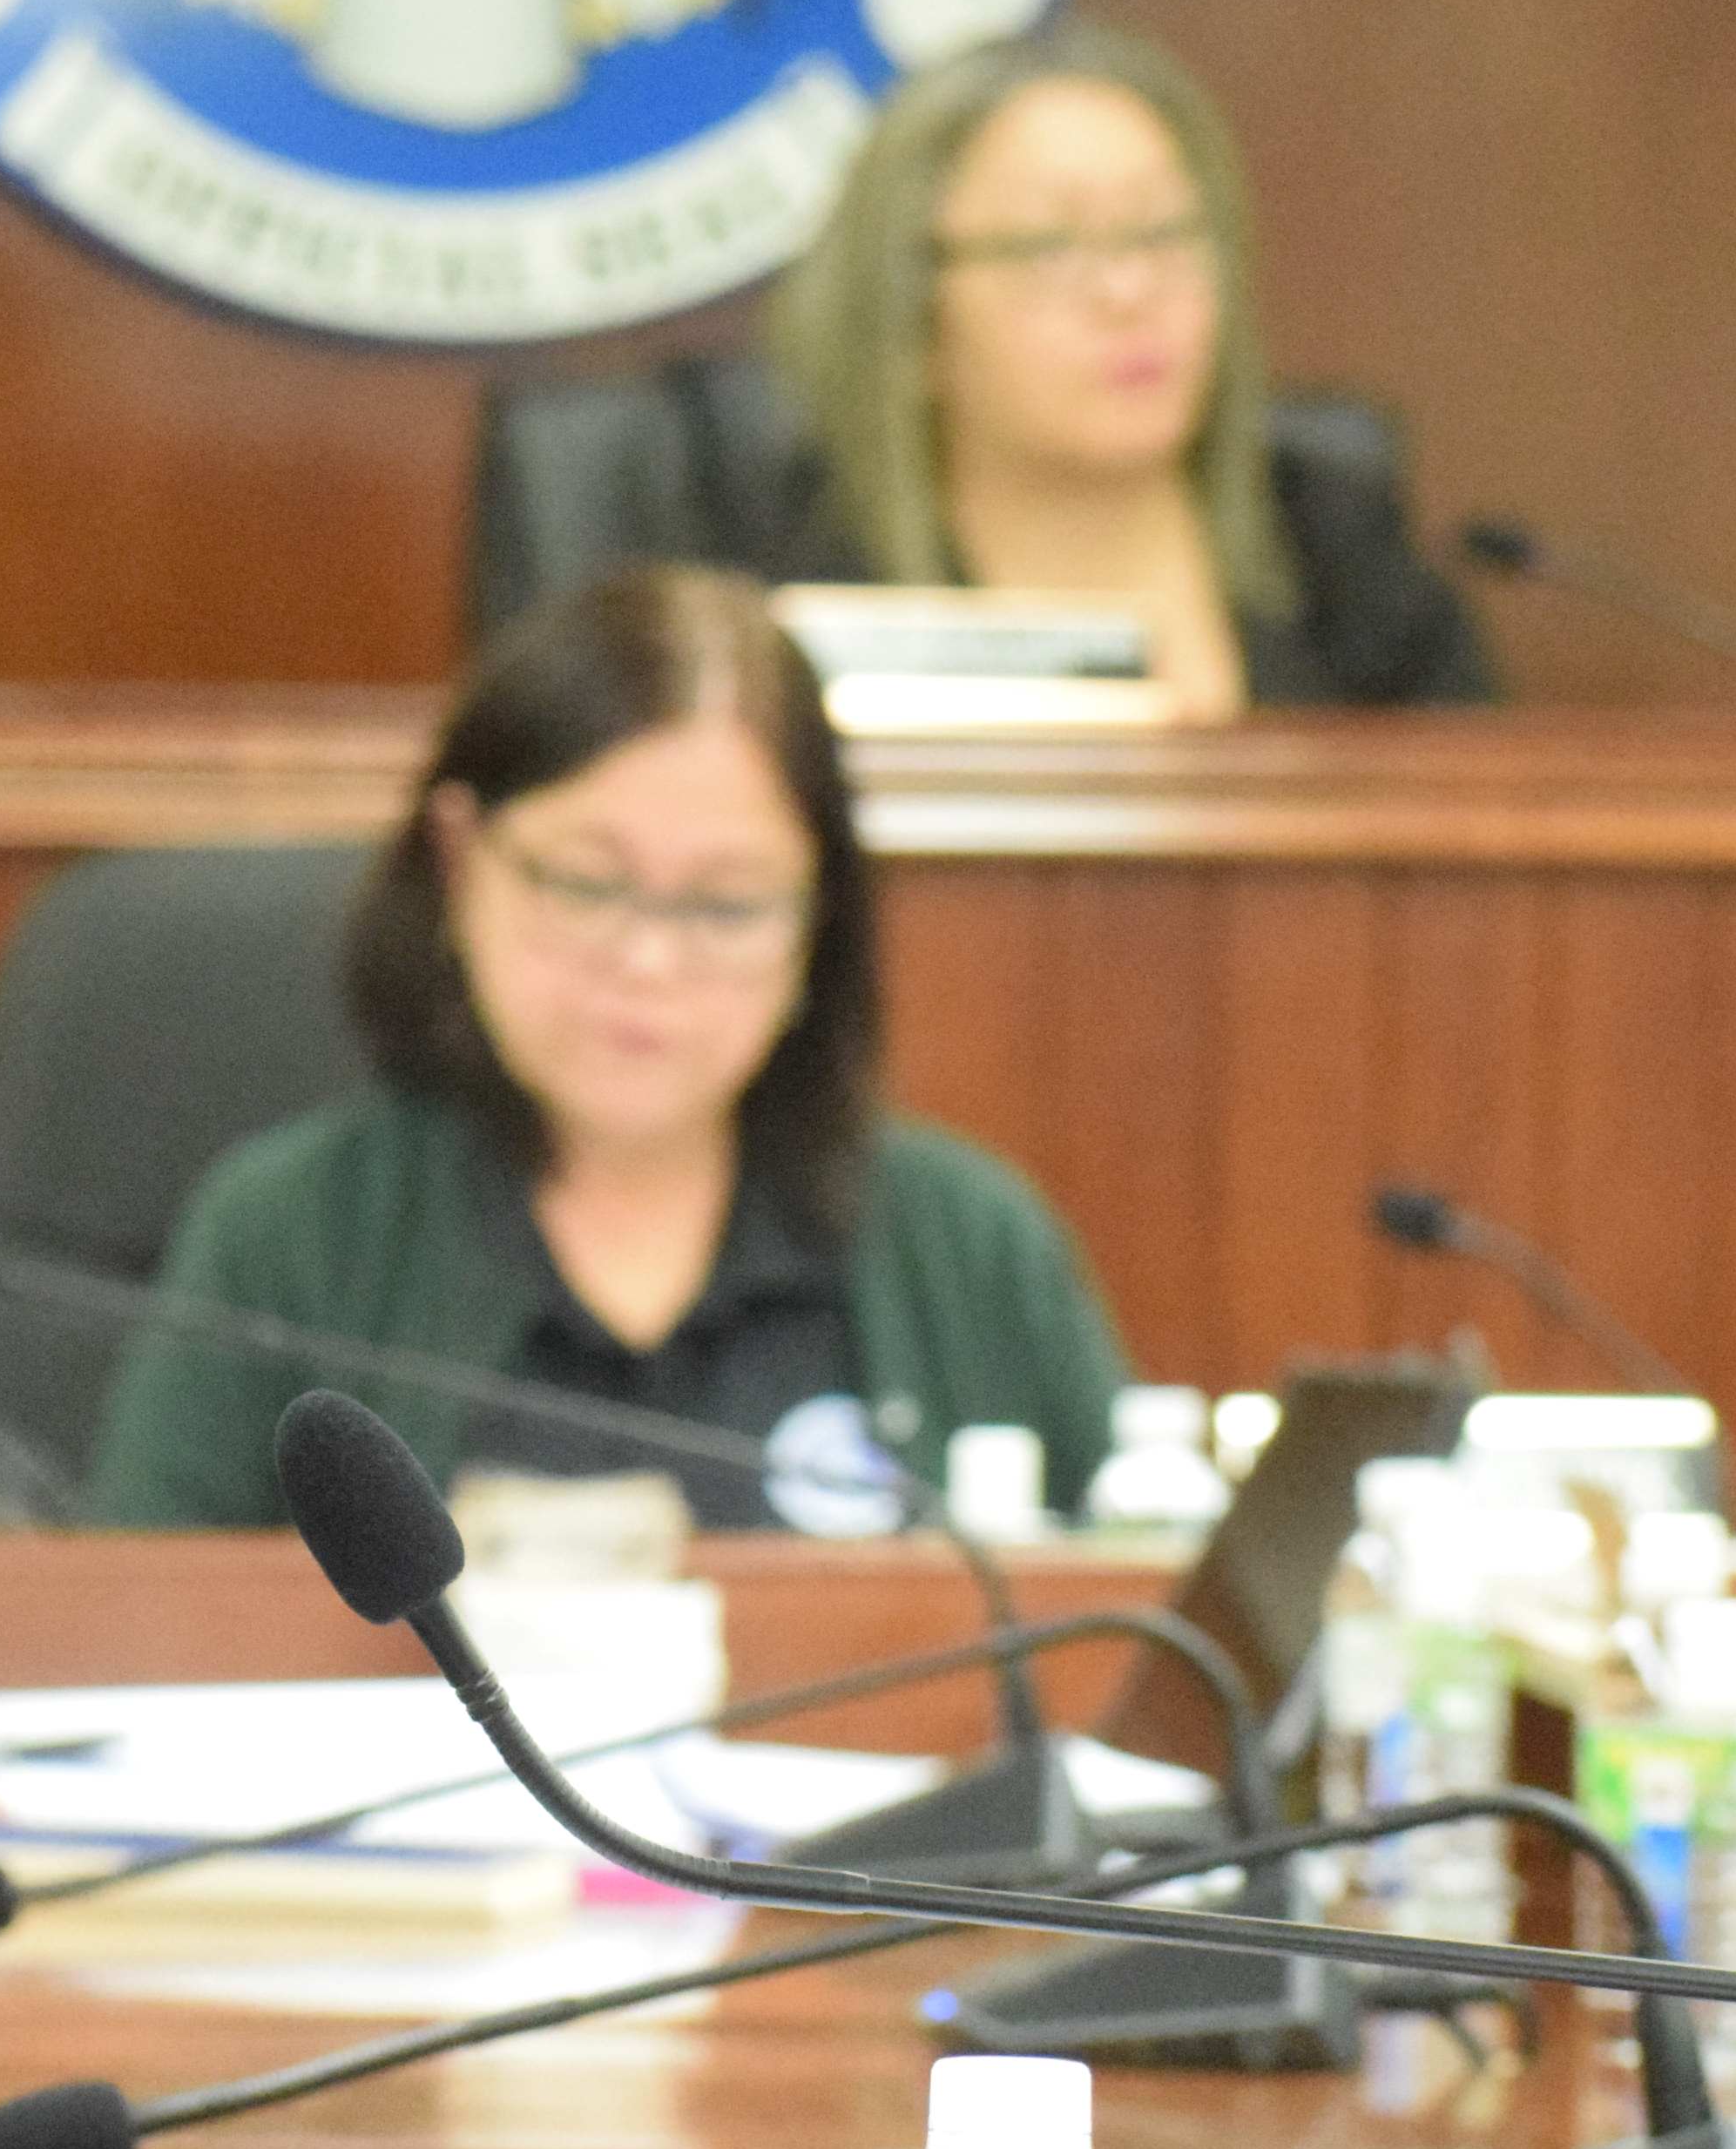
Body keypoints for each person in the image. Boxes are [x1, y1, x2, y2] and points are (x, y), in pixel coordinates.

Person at [88, 566, 1128, 1531]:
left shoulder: (973, 1246)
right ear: (460, 862)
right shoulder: (291, 1233)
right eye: (586, 883)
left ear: (817, 922)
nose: (648, 962)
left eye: (725, 905)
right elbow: (136, 1644)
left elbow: (1142, 1651)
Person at [466, 24, 1501, 709]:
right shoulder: (773, 577)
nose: (1128, 294)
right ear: (913, 323)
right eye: (1053, 248)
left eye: (1166, 235)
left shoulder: (1343, 560)